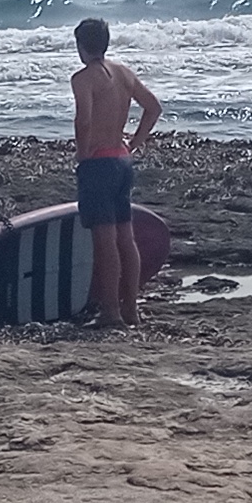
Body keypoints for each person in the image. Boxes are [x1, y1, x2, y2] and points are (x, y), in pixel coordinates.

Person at [71, 16, 163, 327]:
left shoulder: (83, 79)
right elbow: (153, 107)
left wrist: (83, 155)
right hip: (122, 160)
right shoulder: (123, 73)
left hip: (98, 163)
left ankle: (110, 312)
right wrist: (135, 142)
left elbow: (83, 121)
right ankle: (131, 310)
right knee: (126, 237)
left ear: (81, 47)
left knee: (105, 242)